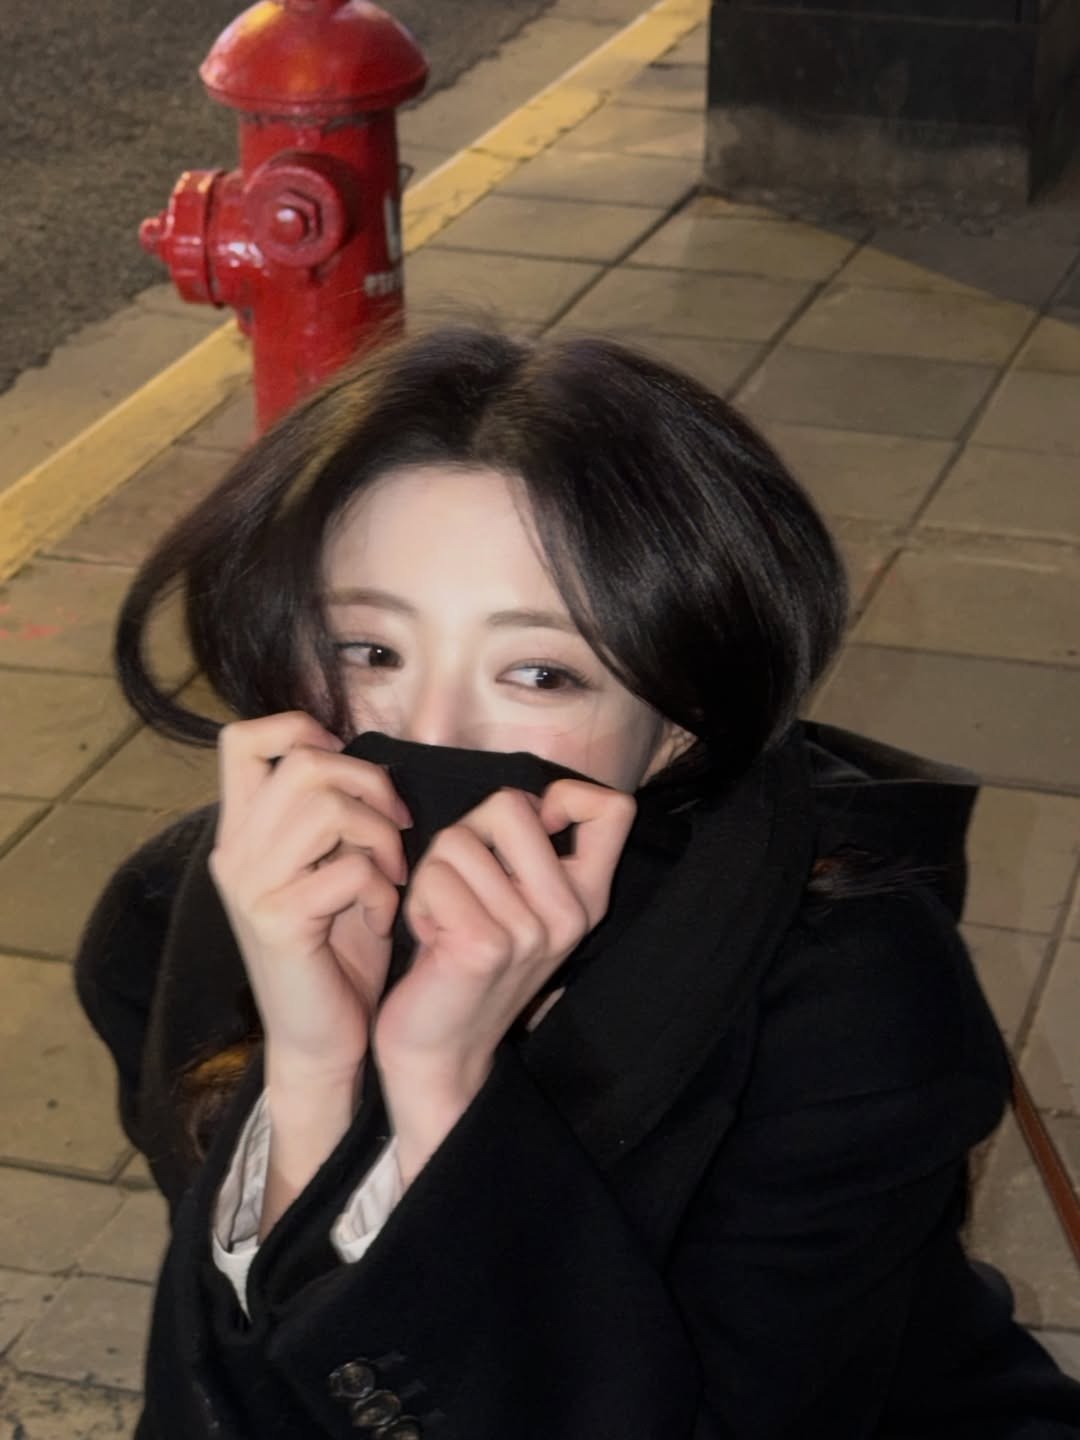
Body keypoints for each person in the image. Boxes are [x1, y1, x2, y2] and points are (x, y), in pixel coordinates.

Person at [76, 325, 1080, 1439]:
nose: (431, 733)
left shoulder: (850, 997)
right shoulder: (194, 913)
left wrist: (443, 1088)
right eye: (370, 652)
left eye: (539, 672)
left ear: (676, 728)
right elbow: (223, 1393)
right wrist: (314, 1069)